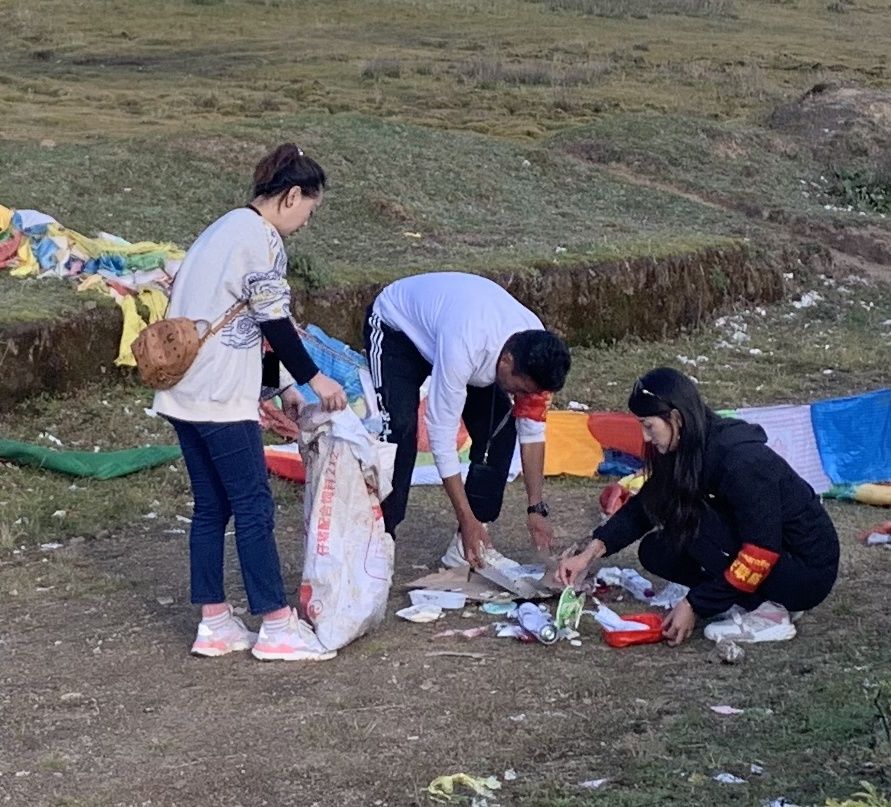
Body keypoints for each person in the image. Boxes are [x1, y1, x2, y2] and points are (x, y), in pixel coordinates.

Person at [153, 143, 347, 662]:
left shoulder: (222, 228)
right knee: (254, 507)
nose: (308, 219)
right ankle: (277, 625)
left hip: (182, 394)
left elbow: (237, 323)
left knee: (212, 507)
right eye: (311, 207)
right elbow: (273, 322)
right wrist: (314, 380)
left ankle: (214, 622)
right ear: (290, 196)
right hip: (218, 398)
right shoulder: (261, 239)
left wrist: (278, 387)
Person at [557, 367, 839, 645]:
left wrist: (695, 604)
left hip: (804, 570)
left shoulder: (741, 460)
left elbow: (761, 550)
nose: (645, 438)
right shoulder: (687, 449)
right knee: (658, 550)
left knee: (692, 520)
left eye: (649, 426)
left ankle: (769, 613)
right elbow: (646, 505)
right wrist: (591, 551)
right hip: (768, 554)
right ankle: (750, 598)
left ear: (676, 418)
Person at [363, 272, 572, 568]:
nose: (520, 396)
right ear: (507, 363)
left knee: (500, 429)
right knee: (400, 432)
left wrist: (535, 507)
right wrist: (465, 514)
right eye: (519, 389)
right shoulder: (466, 345)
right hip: (397, 330)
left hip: (460, 336)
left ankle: (467, 542)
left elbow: (532, 431)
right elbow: (441, 435)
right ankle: (379, 541)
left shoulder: (533, 346)